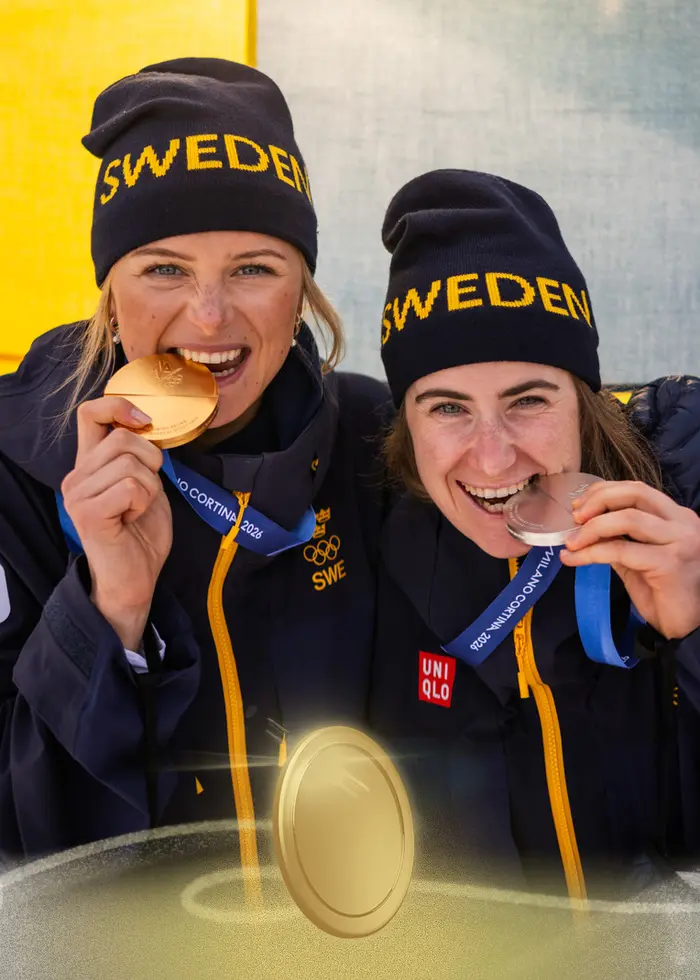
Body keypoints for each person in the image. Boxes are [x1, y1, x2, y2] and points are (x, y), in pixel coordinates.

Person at [0, 58, 392, 873]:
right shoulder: (16, 475)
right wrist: (110, 614)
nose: (209, 316)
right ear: (109, 287)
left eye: (254, 268)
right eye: (164, 269)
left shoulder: (378, 442)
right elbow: (22, 841)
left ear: (302, 289)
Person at [369, 169, 700, 900]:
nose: (492, 457)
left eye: (527, 401)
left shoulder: (685, 493)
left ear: (584, 401)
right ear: (406, 422)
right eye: (447, 408)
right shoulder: (370, 544)